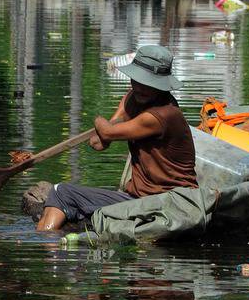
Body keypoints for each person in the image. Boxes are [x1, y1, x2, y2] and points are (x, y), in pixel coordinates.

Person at [31, 42, 198, 233]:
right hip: (139, 198)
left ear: (160, 86)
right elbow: (99, 142)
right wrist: (106, 129)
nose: (141, 88)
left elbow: (107, 132)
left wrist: (98, 120)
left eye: (148, 84)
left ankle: (42, 244)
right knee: (63, 198)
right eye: (137, 81)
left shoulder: (163, 115)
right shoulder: (133, 99)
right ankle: (48, 241)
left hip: (168, 202)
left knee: (60, 192)